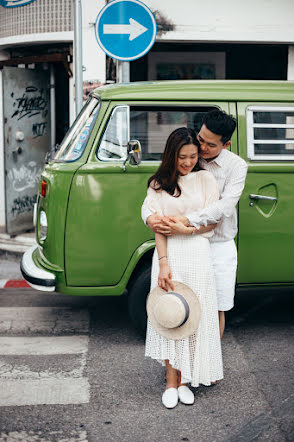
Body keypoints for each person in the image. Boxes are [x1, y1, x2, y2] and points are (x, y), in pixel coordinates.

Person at [142, 110, 248, 339]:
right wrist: (149, 217)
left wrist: (186, 222)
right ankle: (183, 366)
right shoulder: (189, 153)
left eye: (210, 144)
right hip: (185, 246)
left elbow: (224, 208)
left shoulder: (237, 167)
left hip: (219, 244)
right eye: (200, 139)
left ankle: (209, 369)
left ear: (226, 144)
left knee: (216, 306)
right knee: (183, 302)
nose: (201, 148)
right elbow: (157, 189)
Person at [144, 127, 223, 409]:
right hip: (170, 255)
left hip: (197, 252)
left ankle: (187, 379)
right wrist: (164, 263)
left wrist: (187, 228)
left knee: (193, 314)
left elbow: (214, 221)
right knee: (169, 312)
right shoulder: (158, 184)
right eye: (182, 157)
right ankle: (170, 381)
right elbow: (158, 227)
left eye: (192, 156)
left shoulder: (206, 179)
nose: (188, 162)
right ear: (171, 156)